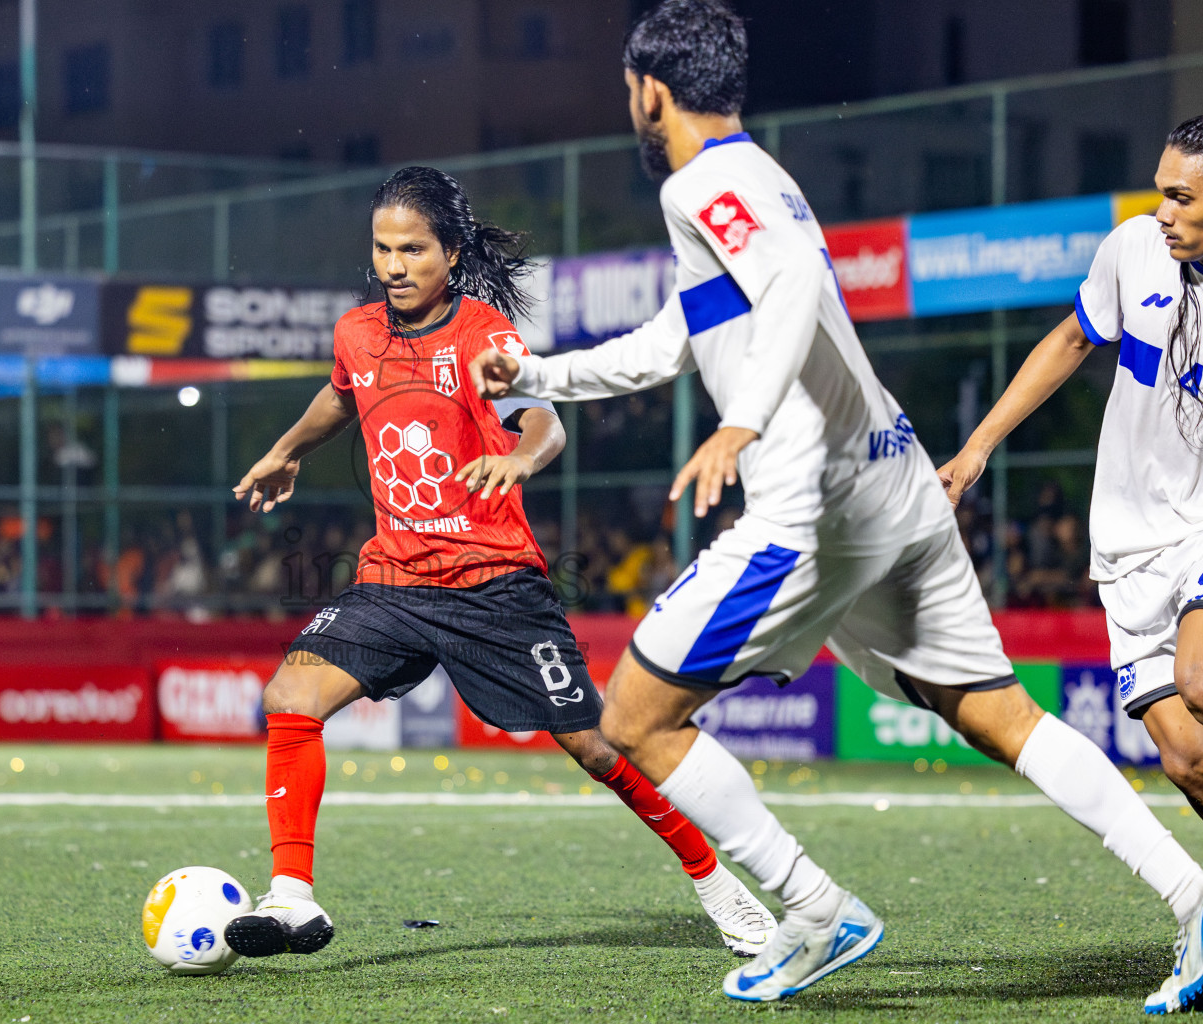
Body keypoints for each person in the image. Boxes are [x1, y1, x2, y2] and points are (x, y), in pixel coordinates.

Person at [468, 2, 1203, 1011]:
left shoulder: (705, 182)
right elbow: (676, 336)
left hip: (813, 507)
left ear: (650, 91)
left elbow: (790, 289)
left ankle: (815, 909)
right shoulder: (762, 175)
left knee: (634, 717)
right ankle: (1194, 896)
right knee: (1002, 714)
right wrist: (540, 371)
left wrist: (744, 422)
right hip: (894, 478)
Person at [223, 165, 776, 961]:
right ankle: (293, 902)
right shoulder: (357, 333)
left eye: (412, 249)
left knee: (597, 747)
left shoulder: (481, 333)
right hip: (396, 579)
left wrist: (521, 458)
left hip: (496, 585)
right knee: (291, 695)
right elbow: (342, 395)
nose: (394, 265)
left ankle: (715, 880)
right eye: (382, 249)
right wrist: (284, 452)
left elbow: (543, 419)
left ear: (450, 253)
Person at [941, 115, 1203, 1011]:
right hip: (1127, 536)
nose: (1163, 211)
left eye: (1183, 196)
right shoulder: (1133, 249)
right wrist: (977, 449)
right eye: (1161, 188)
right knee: (1182, 755)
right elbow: (1068, 342)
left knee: (1199, 679)